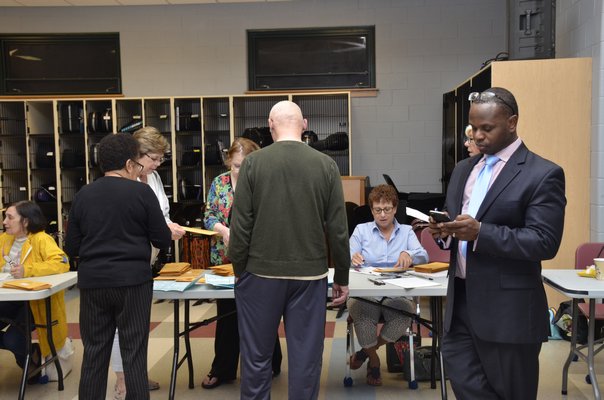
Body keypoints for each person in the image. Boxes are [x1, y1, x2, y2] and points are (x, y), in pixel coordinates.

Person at [428, 87, 566, 400]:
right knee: (463, 381)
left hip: (508, 313)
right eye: (473, 128)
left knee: (511, 391)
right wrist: (445, 231)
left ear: (512, 122)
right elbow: (458, 225)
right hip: (460, 305)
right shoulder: (465, 170)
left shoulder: (542, 174)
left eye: (486, 128)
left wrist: (481, 233)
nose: (477, 136)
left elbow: (544, 241)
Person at [229, 100, 350, 400]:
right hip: (309, 276)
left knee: (256, 358)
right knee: (306, 360)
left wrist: (239, 270)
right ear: (305, 124)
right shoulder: (327, 166)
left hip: (259, 273)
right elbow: (337, 229)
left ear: (270, 126)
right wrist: (342, 277)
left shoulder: (253, 164)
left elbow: (241, 225)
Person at [65, 133, 173, 400]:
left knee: (94, 354)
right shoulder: (141, 192)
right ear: (128, 164)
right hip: (133, 283)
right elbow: (162, 239)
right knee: (133, 354)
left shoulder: (83, 195)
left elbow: (72, 247)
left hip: (93, 284)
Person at [109, 126, 186, 398]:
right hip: (124, 261)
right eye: (153, 158)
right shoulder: (120, 181)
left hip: (145, 258)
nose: (157, 164)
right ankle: (122, 381)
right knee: (123, 324)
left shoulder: (151, 179)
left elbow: (159, 213)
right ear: (136, 155)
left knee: (137, 324)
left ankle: (136, 375)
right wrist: (162, 230)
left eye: (160, 159)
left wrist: (169, 226)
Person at [201, 137, 282, 389]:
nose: (240, 169)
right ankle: (223, 369)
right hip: (224, 257)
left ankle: (271, 363)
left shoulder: (263, 182)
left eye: (245, 164)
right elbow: (209, 215)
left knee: (263, 314)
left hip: (258, 259)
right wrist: (223, 230)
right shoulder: (219, 183)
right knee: (227, 315)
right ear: (229, 162)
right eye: (236, 165)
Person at [347, 184, 428, 386]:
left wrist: (408, 254)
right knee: (362, 315)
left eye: (387, 209)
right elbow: (347, 254)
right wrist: (352, 256)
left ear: (394, 208)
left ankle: (364, 353)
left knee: (404, 316)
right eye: (377, 210)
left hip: (397, 293)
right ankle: (374, 360)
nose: (382, 215)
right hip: (366, 292)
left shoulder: (407, 232)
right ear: (371, 209)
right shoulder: (361, 230)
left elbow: (423, 256)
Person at [0, 201, 70, 384]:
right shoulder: (4, 239)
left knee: (12, 340)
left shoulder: (41, 239)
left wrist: (28, 269)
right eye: (5, 217)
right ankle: (29, 356)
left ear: (25, 221)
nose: (4, 222)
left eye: (10, 217)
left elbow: (62, 262)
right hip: (6, 299)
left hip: (31, 302)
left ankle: (32, 358)